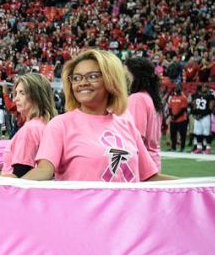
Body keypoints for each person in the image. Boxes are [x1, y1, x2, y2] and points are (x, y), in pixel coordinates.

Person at [23, 49, 173, 182]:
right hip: (84, 212)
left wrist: (195, 187)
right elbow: (44, 170)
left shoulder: (126, 123)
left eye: (92, 76)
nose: (82, 83)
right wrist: (8, 189)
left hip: (128, 212)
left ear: (110, 80)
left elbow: (149, 176)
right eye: (76, 78)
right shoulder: (60, 125)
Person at [1, 72, 56, 178]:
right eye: (16, 93)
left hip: (15, 192)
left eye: (22, 93)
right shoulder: (46, 125)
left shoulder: (30, 129)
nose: (15, 99)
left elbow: (19, 175)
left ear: (36, 96)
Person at [124, 56, 164, 170]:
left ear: (135, 76)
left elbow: (136, 138)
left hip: (142, 165)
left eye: (126, 76)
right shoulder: (151, 97)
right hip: (153, 161)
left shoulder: (137, 99)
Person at [189, 85, 213, 153]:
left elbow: (211, 107)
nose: (203, 88)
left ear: (208, 88)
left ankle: (208, 148)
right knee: (198, 132)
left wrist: (202, 115)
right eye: (203, 87)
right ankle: (199, 147)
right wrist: (195, 114)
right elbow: (194, 105)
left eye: (205, 87)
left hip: (206, 116)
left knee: (207, 132)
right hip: (197, 116)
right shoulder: (197, 96)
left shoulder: (210, 96)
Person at [167, 85, 189, 151]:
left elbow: (183, 109)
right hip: (173, 120)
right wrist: (172, 115)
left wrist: (175, 116)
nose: (176, 90)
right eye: (176, 89)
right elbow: (170, 108)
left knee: (182, 134)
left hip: (181, 119)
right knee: (173, 134)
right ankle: (173, 147)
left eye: (178, 89)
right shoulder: (172, 98)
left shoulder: (183, 98)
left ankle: (182, 148)